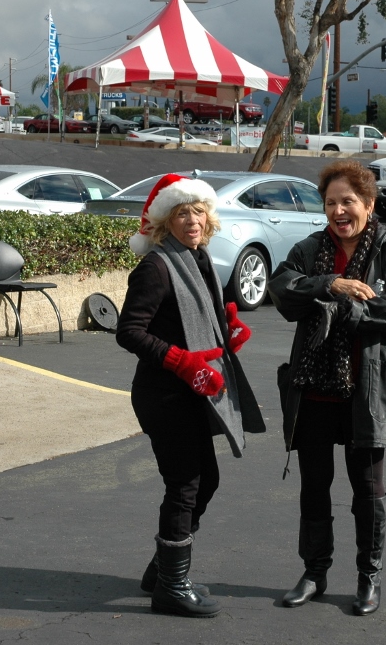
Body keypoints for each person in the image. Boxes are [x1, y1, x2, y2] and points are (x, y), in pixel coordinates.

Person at [270, 159, 386, 616]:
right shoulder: (310, 248)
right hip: (313, 388)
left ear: (369, 204)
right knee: (315, 486)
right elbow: (282, 290)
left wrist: (348, 312)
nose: (339, 210)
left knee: (368, 491)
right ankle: (314, 572)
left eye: (348, 201)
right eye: (331, 202)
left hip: (367, 390)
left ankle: (368, 577)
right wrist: (331, 285)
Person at [115, 173, 265, 618]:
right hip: (164, 394)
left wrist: (225, 333)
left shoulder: (197, 257)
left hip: (197, 390)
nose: (192, 220)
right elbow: (130, 332)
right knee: (185, 484)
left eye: (198, 210)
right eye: (182, 212)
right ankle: (171, 587)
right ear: (165, 221)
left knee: (207, 480)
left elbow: (191, 316)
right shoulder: (157, 266)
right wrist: (183, 361)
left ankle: (161, 571)